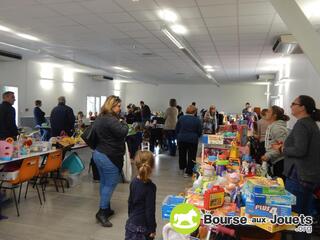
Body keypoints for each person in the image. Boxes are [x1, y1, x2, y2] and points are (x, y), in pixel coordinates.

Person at [272, 96, 320, 240]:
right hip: (309, 175)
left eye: (294, 104)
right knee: (305, 214)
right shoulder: (311, 124)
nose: (291, 106)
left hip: (299, 175)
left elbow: (300, 150)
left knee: (296, 214)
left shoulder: (302, 124)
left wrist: (282, 149)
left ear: (302, 107)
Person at [92, 95, 128, 227]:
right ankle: (101, 212)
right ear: (112, 106)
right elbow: (123, 132)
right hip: (109, 156)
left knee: (104, 182)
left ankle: (106, 208)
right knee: (110, 184)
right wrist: (124, 123)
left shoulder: (100, 118)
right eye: (118, 106)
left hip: (99, 154)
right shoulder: (111, 120)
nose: (120, 108)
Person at [125, 151, 156, 240]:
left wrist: (131, 218)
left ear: (135, 164)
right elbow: (150, 210)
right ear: (152, 166)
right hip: (143, 228)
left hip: (131, 225)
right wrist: (152, 229)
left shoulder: (133, 182)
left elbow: (130, 202)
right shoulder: (151, 187)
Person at [261, 106, 289, 179]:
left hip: (280, 162)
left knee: (279, 184)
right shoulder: (272, 126)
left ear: (274, 115)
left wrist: (268, 156)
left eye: (269, 111)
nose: (266, 113)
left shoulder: (277, 128)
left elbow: (282, 147)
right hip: (274, 160)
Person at [176, 105, 202, 177]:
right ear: (195, 112)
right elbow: (199, 131)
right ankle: (188, 172)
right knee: (191, 156)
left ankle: (182, 168)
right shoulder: (197, 120)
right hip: (192, 140)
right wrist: (197, 136)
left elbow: (177, 129)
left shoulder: (181, 118)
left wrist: (178, 136)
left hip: (182, 139)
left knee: (182, 154)